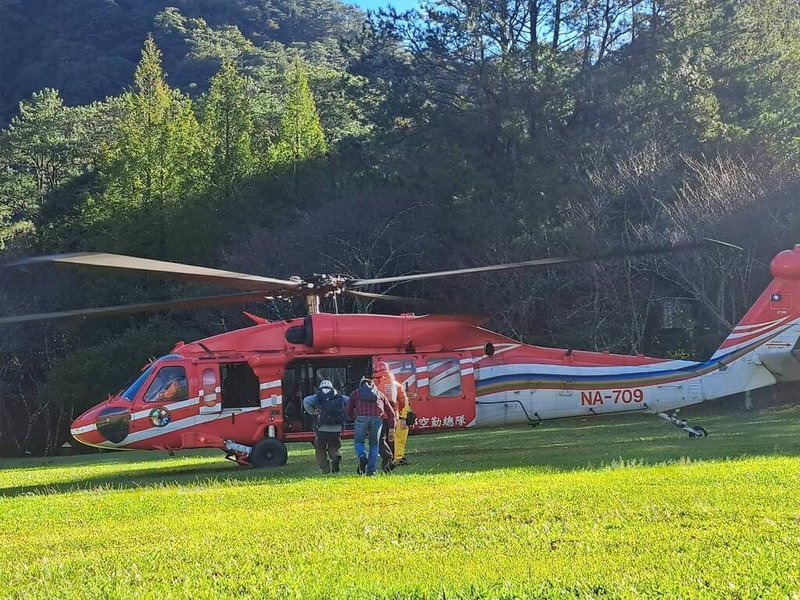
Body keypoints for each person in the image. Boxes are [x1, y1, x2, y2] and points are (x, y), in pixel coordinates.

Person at [346, 375, 395, 476]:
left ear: (361, 385)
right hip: (377, 418)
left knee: (359, 441)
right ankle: (371, 471)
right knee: (374, 444)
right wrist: (391, 427)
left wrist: (352, 416)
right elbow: (390, 412)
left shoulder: (356, 393)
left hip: (361, 418)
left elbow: (349, 409)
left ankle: (362, 455)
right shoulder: (379, 394)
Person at [303, 380, 348, 474]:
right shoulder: (338, 395)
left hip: (322, 428)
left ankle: (325, 467)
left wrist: (312, 412)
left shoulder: (317, 396)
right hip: (337, 428)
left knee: (320, 448)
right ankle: (336, 456)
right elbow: (349, 400)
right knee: (334, 446)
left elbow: (306, 401)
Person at [373, 361, 412, 466]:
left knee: (380, 438)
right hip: (393, 416)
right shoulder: (396, 384)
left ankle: (386, 456)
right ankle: (394, 459)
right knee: (392, 437)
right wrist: (399, 412)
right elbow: (403, 400)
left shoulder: (374, 384)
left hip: (379, 416)